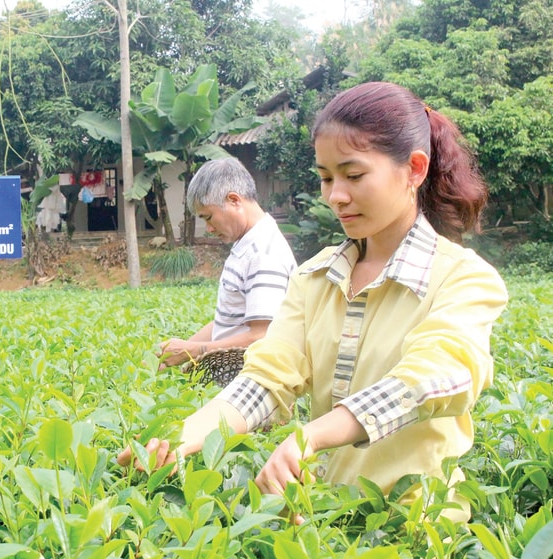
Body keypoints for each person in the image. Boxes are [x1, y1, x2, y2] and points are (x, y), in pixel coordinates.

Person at [120, 81, 508, 519]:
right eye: (326, 177)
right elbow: (268, 377)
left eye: (354, 175)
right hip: (322, 517)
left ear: (414, 170)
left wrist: (313, 436)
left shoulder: (464, 278)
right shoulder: (315, 276)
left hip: (415, 532)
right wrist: (187, 435)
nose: (335, 195)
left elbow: (432, 380)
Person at [158, 157, 297, 369]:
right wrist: (173, 353)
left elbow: (262, 336)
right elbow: (229, 322)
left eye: (208, 217)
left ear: (234, 200)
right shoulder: (248, 244)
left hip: (250, 384)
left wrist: (194, 351)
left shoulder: (263, 254)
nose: (209, 229)